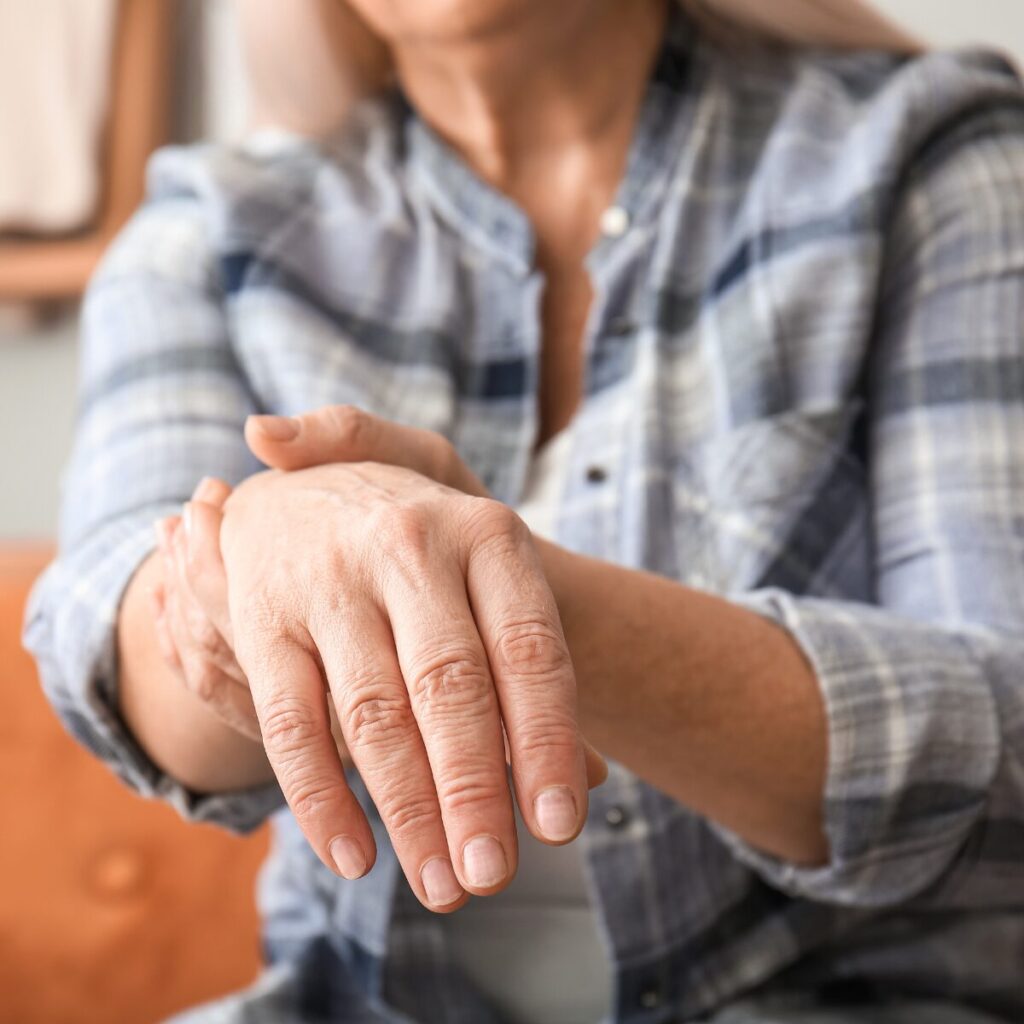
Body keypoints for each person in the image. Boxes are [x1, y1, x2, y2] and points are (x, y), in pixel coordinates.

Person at [23, 1, 1024, 1021]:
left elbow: (1011, 740)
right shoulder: (207, 231)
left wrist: (507, 590)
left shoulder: (926, 153)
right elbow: (106, 624)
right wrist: (260, 559)